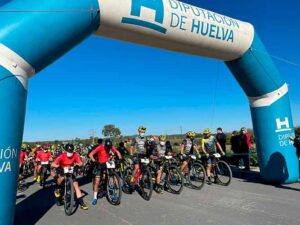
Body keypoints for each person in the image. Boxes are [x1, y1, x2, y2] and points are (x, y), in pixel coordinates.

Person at [51, 144, 88, 209]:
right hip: (63, 170)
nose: (70, 154)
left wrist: (78, 165)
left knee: (76, 185)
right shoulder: (62, 156)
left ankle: (82, 203)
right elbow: (53, 164)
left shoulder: (75, 155)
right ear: (66, 151)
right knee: (60, 180)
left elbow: (80, 162)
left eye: (71, 152)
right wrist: (58, 166)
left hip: (70, 171)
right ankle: (57, 188)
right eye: (68, 152)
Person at [89, 139, 122, 205]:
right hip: (100, 164)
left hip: (107, 163)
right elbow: (91, 154)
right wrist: (94, 161)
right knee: (97, 181)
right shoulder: (100, 147)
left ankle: (114, 192)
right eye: (107, 148)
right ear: (105, 145)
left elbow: (117, 152)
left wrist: (120, 159)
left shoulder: (111, 146)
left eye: (109, 148)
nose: (108, 149)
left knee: (113, 176)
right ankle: (95, 198)